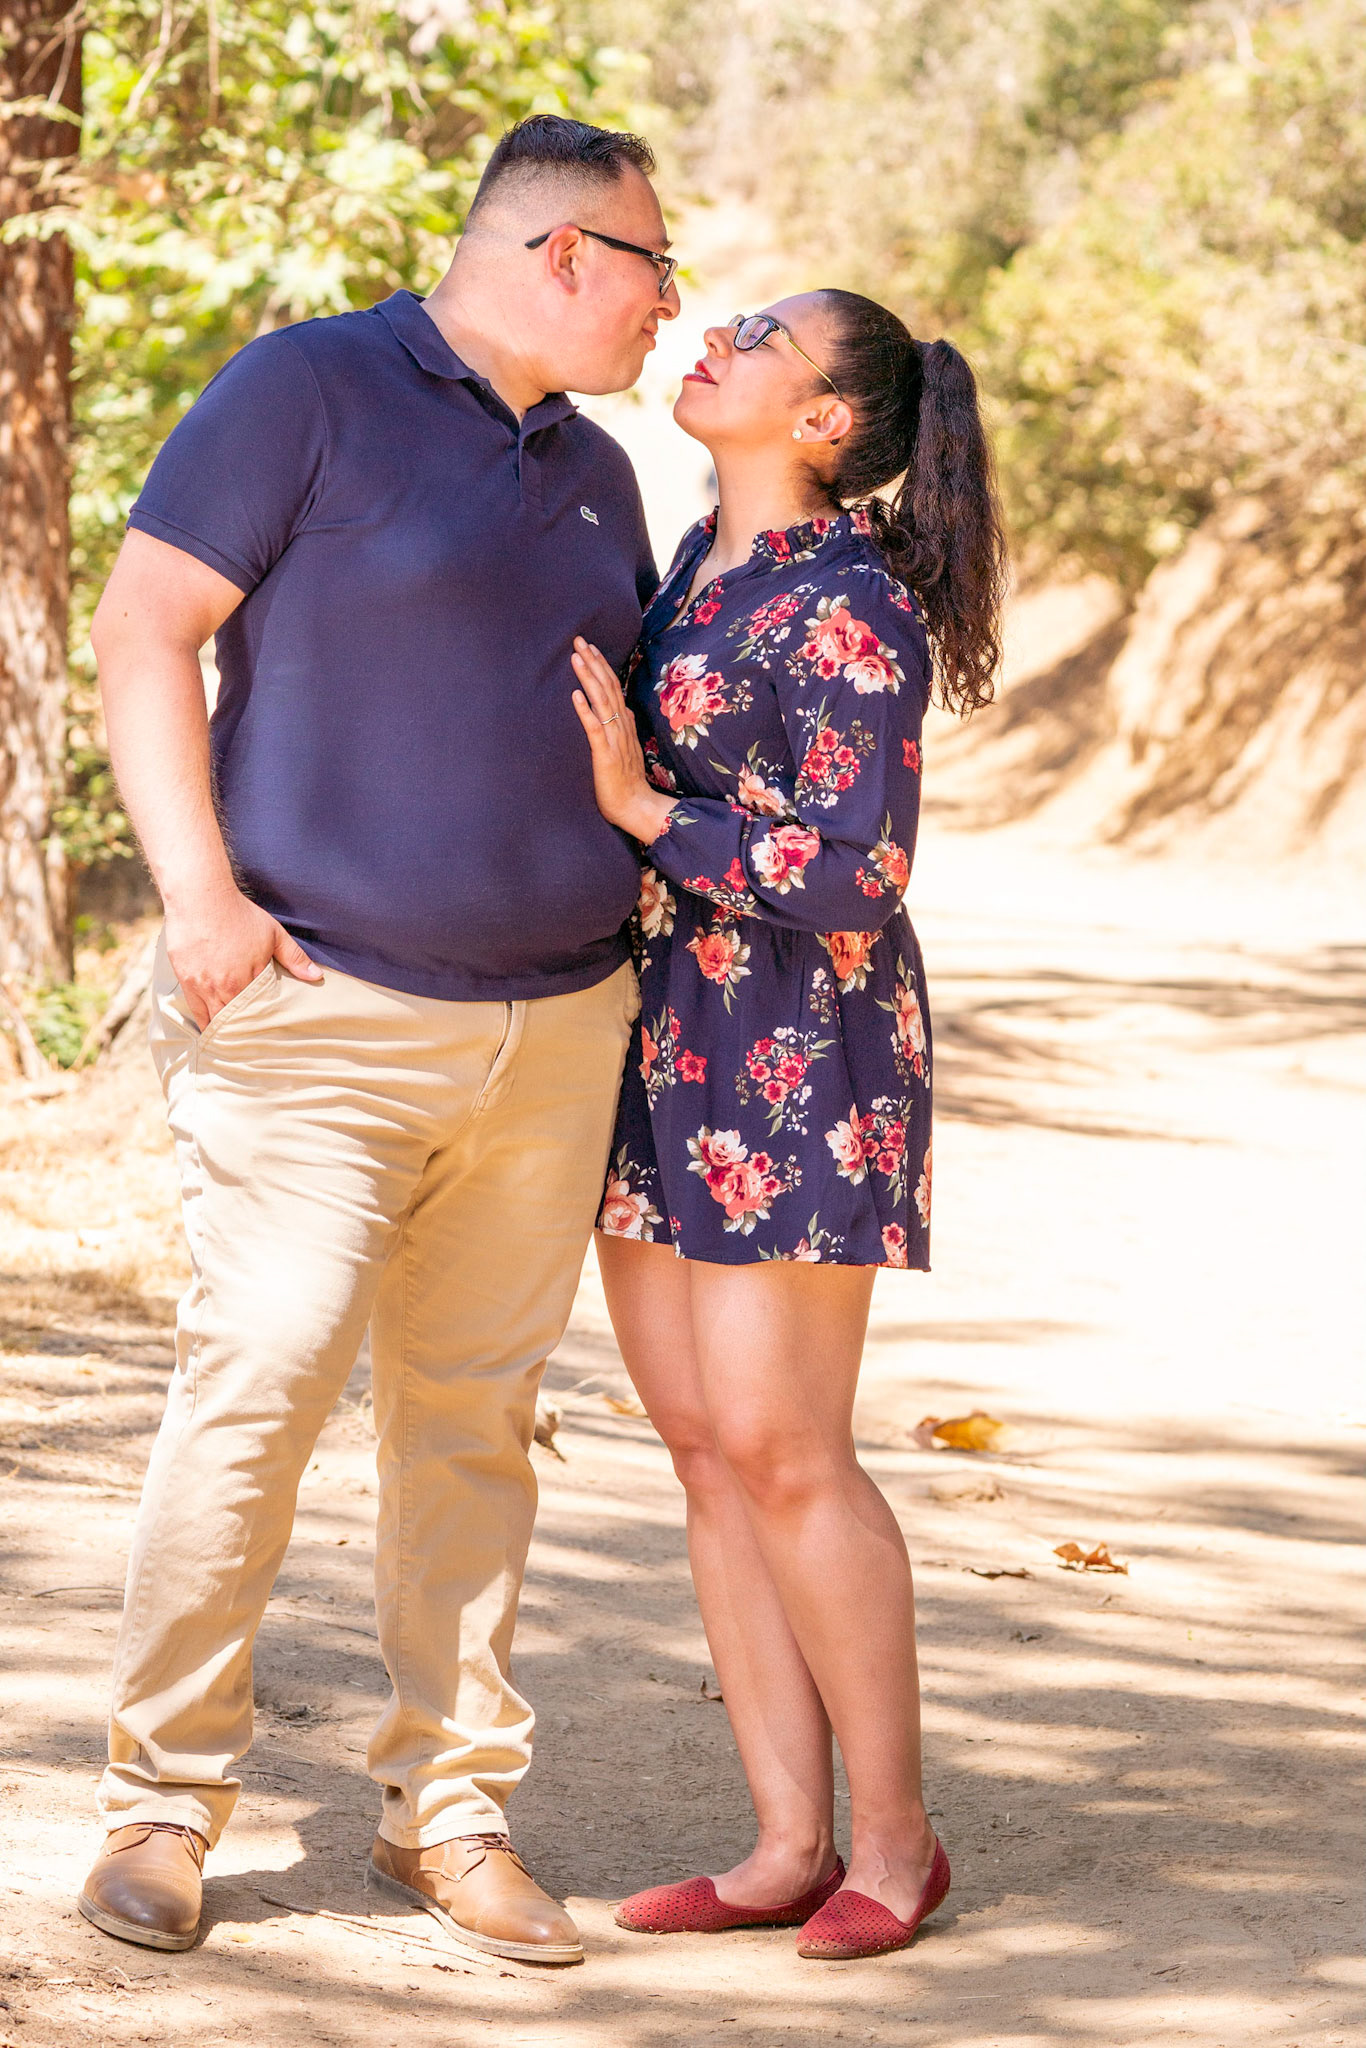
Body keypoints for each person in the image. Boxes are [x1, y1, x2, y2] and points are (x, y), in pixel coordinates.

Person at [77, 114, 678, 1965]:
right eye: (655, 269)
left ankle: (451, 1811)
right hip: (316, 1018)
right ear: (566, 254)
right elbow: (142, 629)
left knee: (475, 1426)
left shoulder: (603, 474)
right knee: (255, 1385)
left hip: (552, 1031)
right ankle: (163, 1804)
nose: (668, 309)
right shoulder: (306, 389)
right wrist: (199, 900)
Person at [569, 292, 1006, 1961]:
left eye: (757, 336)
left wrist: (641, 809)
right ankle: (782, 1843)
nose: (716, 337)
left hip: (797, 1045)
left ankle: (895, 1845)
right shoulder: (700, 561)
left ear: (823, 422)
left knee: (782, 1445)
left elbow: (858, 872)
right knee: (700, 1442)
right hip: (663, 1031)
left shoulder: (850, 603)